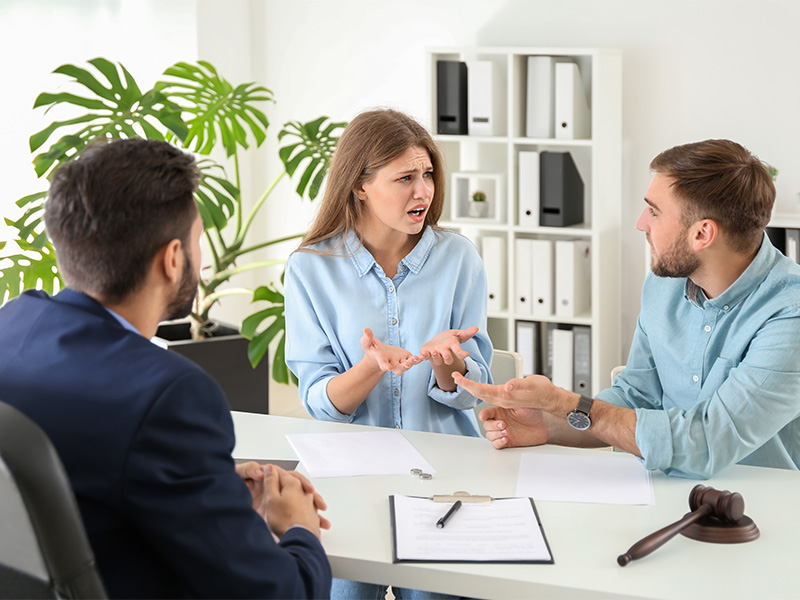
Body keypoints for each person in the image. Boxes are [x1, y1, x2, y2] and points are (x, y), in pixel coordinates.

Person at [0, 138, 332, 598]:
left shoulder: (11, 324)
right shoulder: (170, 395)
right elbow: (276, 593)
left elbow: (77, 476)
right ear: (173, 259)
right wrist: (300, 529)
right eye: (198, 242)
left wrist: (208, 488)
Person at [455, 138, 800, 480]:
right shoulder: (664, 284)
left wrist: (564, 403)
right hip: (667, 497)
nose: (641, 223)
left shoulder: (790, 313)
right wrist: (549, 425)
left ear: (702, 234)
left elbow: (705, 442)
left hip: (762, 514)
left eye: (654, 211)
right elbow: (636, 397)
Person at [284, 108, 492, 598]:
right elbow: (318, 400)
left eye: (427, 175)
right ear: (359, 185)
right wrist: (370, 369)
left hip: (445, 481)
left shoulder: (458, 258)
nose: (423, 191)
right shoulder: (310, 268)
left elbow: (473, 393)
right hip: (349, 483)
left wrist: (450, 367)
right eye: (405, 178)